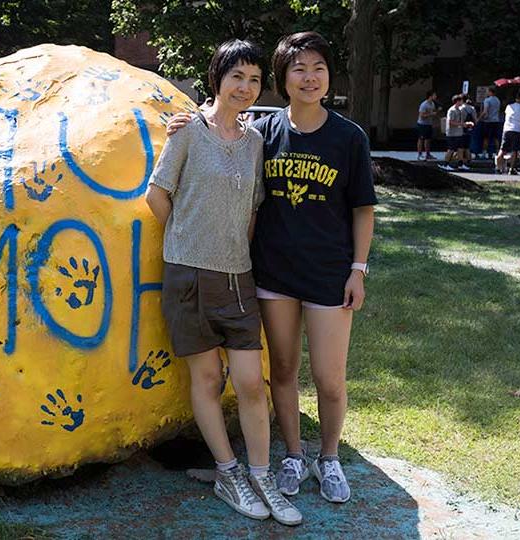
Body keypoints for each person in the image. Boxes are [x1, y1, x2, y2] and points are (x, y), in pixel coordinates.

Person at [166, 30, 376, 507]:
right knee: (281, 370)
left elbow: (364, 209)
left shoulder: (349, 137)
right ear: (283, 78)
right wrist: (185, 119)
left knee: (329, 377)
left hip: (328, 274)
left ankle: (329, 457)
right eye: (299, 68)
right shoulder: (265, 131)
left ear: (329, 76)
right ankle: (294, 455)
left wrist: (357, 270)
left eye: (318, 67)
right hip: (274, 274)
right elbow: (219, 126)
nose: (309, 77)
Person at [145, 39, 303, 527]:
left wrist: (232, 247)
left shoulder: (255, 141)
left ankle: (262, 475)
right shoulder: (188, 132)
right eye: (237, 76)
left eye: (254, 79)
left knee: (252, 383)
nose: (246, 87)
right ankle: (228, 473)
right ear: (217, 78)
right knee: (208, 379)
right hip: (189, 273)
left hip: (239, 276)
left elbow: (253, 208)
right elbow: (156, 195)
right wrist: (189, 240)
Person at [495, 90, 520, 174]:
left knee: (502, 149)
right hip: (516, 130)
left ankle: (498, 168)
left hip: (506, 129)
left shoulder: (509, 106)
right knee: (515, 150)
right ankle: (511, 169)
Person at [440, 94, 466, 171]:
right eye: (461, 100)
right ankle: (445, 164)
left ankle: (460, 164)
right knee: (451, 149)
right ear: (457, 101)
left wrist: (464, 124)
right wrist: (462, 124)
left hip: (459, 133)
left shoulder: (459, 110)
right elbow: (451, 122)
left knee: (460, 149)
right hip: (452, 133)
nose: (462, 102)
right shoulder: (452, 110)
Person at [478, 87, 501, 159]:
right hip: (496, 120)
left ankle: (484, 153)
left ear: (490, 92)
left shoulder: (487, 100)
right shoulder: (498, 100)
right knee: (495, 138)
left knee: (486, 138)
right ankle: (497, 152)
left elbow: (485, 111)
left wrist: (479, 118)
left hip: (488, 121)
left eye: (488, 91)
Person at [416, 90, 438, 160]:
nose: (436, 96)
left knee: (428, 139)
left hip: (429, 124)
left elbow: (432, 113)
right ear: (430, 96)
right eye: (434, 95)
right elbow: (421, 115)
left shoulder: (432, 104)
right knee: (421, 139)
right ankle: (419, 154)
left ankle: (428, 154)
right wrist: (431, 114)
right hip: (422, 124)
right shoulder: (424, 104)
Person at [460, 96, 477, 169]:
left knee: (461, 146)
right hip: (470, 128)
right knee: (467, 146)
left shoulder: (461, 108)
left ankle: (462, 161)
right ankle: (469, 161)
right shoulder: (472, 108)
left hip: (462, 129)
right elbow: (475, 120)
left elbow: (460, 120)